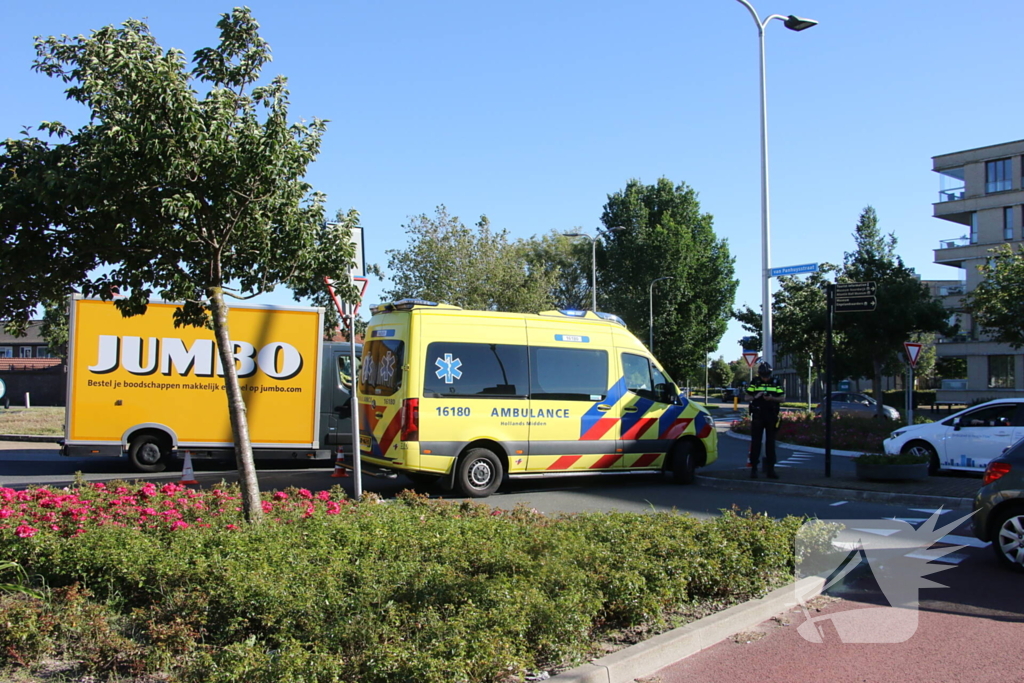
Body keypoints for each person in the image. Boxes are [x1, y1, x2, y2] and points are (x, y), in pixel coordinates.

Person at [746, 362, 785, 479]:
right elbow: (746, 397)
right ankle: (754, 469)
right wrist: (755, 396)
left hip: (771, 415)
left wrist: (772, 398)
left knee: (770, 443)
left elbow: (782, 398)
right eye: (763, 375)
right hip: (758, 415)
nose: (765, 378)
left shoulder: (776, 382)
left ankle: (771, 469)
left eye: (767, 375)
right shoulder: (755, 382)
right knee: (756, 442)